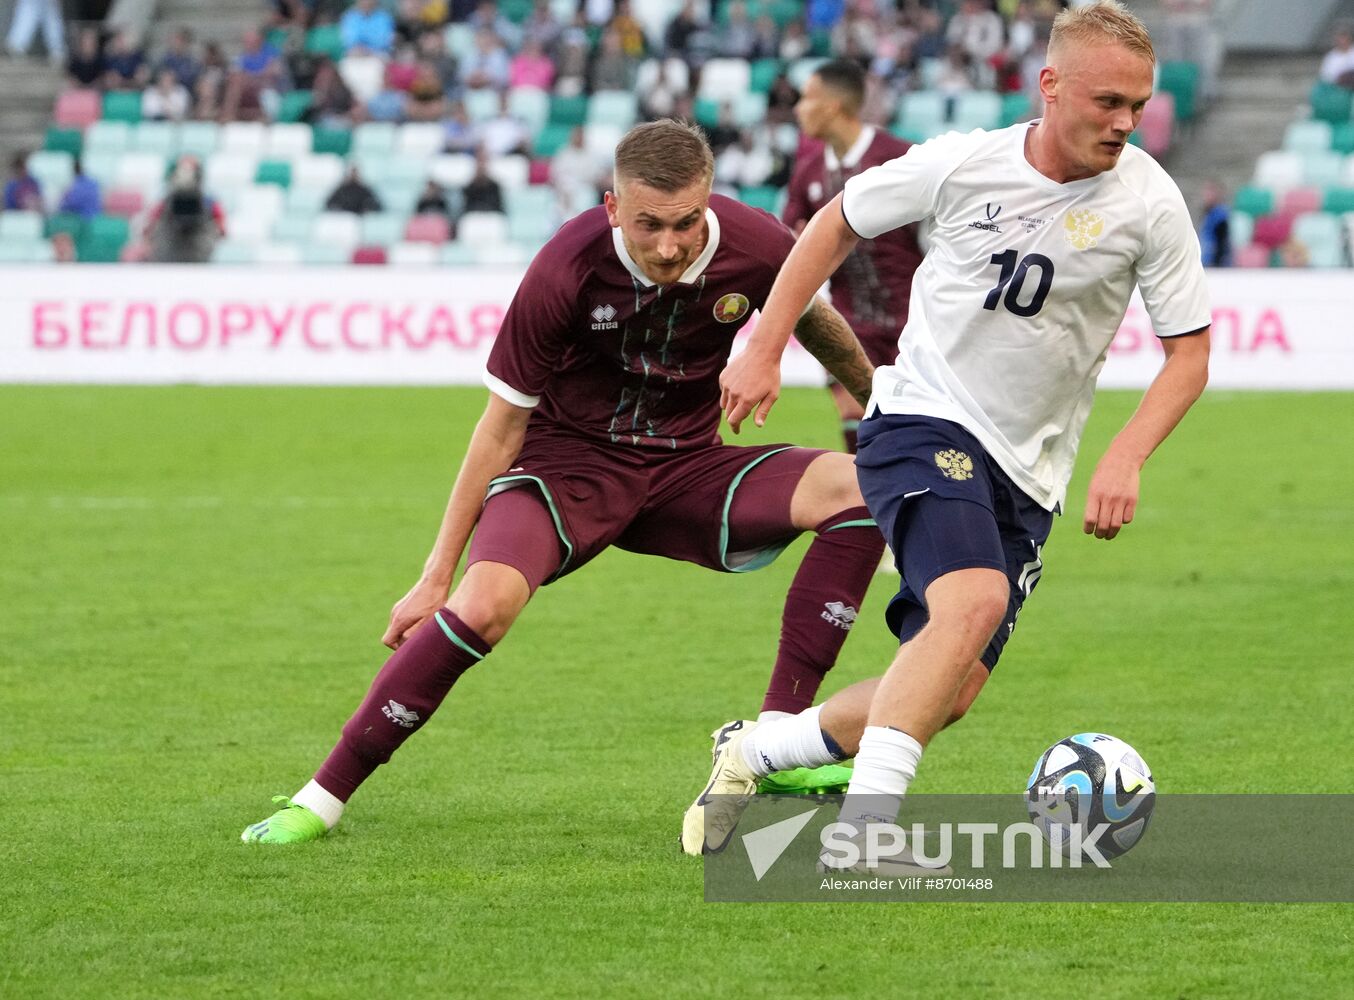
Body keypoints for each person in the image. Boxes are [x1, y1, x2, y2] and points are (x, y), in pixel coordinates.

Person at [241, 119, 883, 845]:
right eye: (648, 225)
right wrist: (434, 574)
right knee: (482, 608)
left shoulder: (754, 241)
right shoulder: (565, 268)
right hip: (564, 470)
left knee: (860, 488)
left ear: (709, 200)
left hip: (685, 470)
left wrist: (881, 403)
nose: (670, 245)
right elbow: (500, 429)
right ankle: (319, 799)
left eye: (686, 222)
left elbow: (816, 318)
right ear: (613, 208)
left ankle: (775, 742)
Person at [683, 0, 1212, 862]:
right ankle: (865, 839)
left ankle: (756, 749)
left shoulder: (1149, 201)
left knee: (950, 682)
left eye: (1137, 107)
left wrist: (1126, 452)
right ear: (1051, 86)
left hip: (1031, 469)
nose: (1124, 123)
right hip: (923, 417)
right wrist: (765, 344)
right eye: (1107, 102)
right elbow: (833, 224)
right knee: (974, 602)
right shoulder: (966, 163)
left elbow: (1188, 354)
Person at [783, 59, 924, 455]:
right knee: (854, 417)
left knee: (913, 429)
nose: (798, 109)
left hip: (911, 320)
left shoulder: (902, 158)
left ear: (832, 105)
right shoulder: (807, 172)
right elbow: (789, 241)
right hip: (846, 320)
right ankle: (866, 508)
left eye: (807, 99)